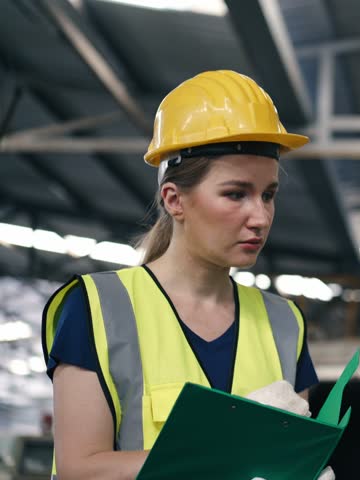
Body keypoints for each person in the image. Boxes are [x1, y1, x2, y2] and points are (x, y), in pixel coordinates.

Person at [42, 70, 333, 479]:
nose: (261, 216)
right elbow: (80, 469)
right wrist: (230, 454)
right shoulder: (96, 309)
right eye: (236, 194)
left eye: (268, 194)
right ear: (174, 199)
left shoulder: (284, 322)